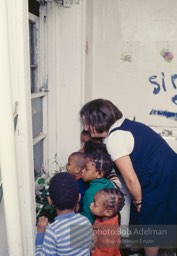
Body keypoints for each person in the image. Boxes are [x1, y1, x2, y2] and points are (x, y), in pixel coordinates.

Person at [80, 98, 177, 256]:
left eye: (87, 122)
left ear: (98, 120)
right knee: (154, 217)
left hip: (160, 177)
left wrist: (138, 201)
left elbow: (131, 179)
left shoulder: (116, 139)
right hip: (169, 170)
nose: (85, 127)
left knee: (149, 220)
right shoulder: (125, 125)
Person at [35, 172, 93, 256]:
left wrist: (40, 233)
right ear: (79, 197)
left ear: (50, 200)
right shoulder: (85, 222)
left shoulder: (53, 232)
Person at [80, 151, 115, 224]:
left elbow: (88, 218)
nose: (82, 171)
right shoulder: (110, 184)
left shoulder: (90, 193)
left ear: (99, 174)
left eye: (86, 169)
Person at [90, 187, 125, 256]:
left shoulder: (108, 234)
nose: (91, 204)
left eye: (94, 204)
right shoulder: (102, 218)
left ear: (108, 212)